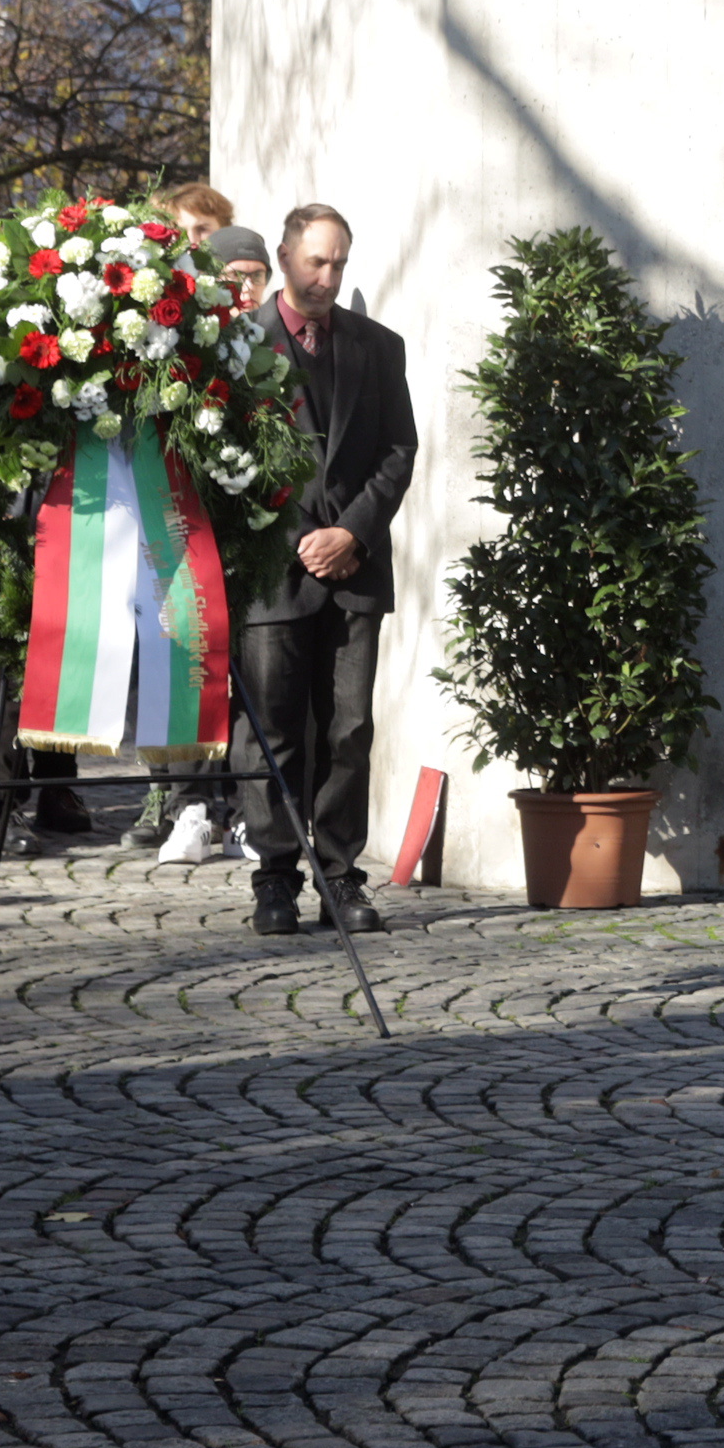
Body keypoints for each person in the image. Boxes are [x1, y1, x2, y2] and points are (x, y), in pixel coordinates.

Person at [234, 204, 416, 934]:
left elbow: (398, 451)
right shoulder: (239, 347)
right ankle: (274, 878)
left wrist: (353, 534)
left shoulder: (379, 347)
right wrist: (298, 540)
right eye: (315, 261)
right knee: (272, 731)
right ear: (284, 257)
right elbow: (224, 464)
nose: (328, 277)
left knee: (348, 730)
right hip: (273, 571)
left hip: (354, 572)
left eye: (339, 263)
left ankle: (340, 876)